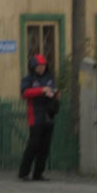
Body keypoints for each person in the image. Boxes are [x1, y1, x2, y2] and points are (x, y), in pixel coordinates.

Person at [18, 53, 60, 181]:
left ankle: (38, 173)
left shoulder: (50, 78)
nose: (41, 68)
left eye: (43, 66)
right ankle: (24, 172)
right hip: (35, 116)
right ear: (33, 67)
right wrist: (41, 90)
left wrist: (55, 95)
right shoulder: (28, 79)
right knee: (33, 145)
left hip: (48, 115)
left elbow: (56, 92)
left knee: (45, 147)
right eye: (39, 66)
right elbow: (24, 93)